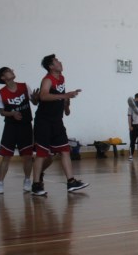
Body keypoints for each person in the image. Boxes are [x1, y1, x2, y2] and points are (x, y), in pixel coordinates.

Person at [31, 54, 89, 196]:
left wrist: (66, 104)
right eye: (56, 61)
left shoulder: (61, 78)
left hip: (57, 121)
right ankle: (36, 185)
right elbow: (43, 96)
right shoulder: (47, 80)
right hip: (44, 122)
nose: (60, 62)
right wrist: (65, 96)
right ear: (51, 66)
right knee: (42, 154)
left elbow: (59, 98)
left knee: (65, 150)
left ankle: (71, 182)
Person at [0, 67, 41, 194]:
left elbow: (34, 102)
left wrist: (36, 98)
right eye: (8, 70)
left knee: (28, 156)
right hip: (10, 127)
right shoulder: (1, 93)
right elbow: (2, 112)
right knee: (6, 156)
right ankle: (0, 183)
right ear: (3, 77)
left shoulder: (24, 86)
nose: (12, 71)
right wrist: (12, 114)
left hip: (25, 126)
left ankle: (27, 180)